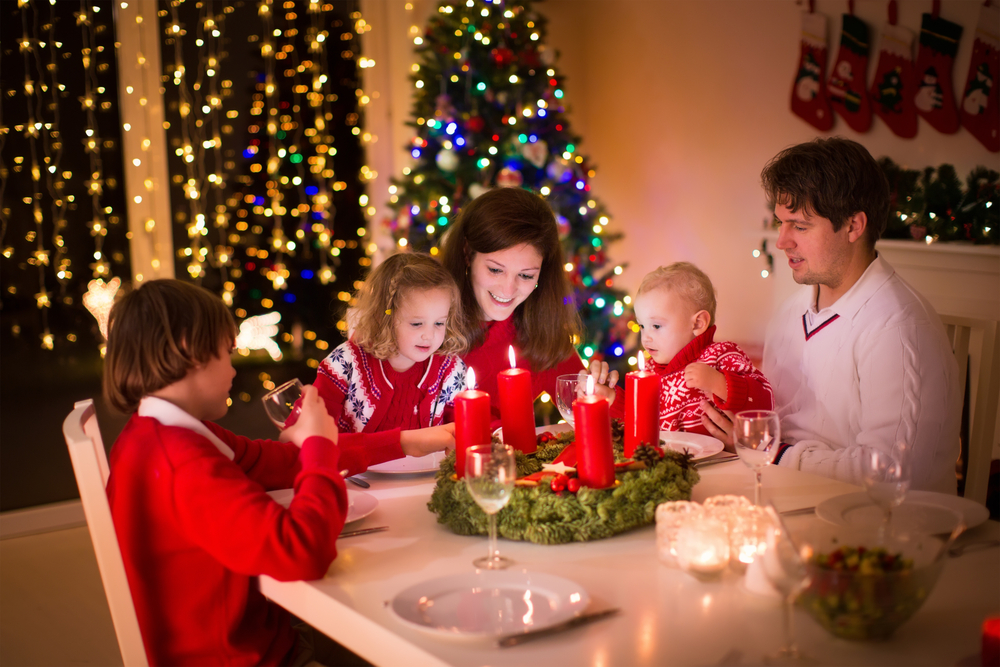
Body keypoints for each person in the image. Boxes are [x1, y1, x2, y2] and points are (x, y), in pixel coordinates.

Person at [103, 279, 449, 664]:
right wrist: (317, 446)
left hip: (254, 626)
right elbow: (301, 554)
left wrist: (405, 442)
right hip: (248, 655)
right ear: (190, 351)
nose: (233, 370)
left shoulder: (159, 433)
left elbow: (276, 461)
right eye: (227, 352)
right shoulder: (182, 462)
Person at [703, 137, 960, 493]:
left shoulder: (898, 329)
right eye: (780, 222)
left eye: (800, 226)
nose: (781, 241)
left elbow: (891, 474)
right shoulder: (792, 311)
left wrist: (772, 452)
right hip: (786, 492)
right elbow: (776, 419)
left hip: (877, 526)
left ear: (854, 226)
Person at [440, 187, 622, 424]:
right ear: (467, 253)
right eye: (495, 269)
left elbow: (602, 421)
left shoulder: (539, 335)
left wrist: (607, 398)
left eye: (525, 276)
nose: (507, 290)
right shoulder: (424, 324)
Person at [314, 252, 468, 433]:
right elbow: (312, 436)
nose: (429, 335)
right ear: (384, 317)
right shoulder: (344, 365)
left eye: (439, 323)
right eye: (417, 324)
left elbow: (466, 429)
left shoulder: (450, 370)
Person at [620, 262, 772, 435]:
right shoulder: (648, 373)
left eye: (656, 326)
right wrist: (613, 399)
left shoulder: (721, 355)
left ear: (698, 323)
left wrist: (719, 383)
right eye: (642, 326)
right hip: (668, 460)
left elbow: (765, 403)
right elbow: (635, 424)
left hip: (722, 460)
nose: (645, 337)